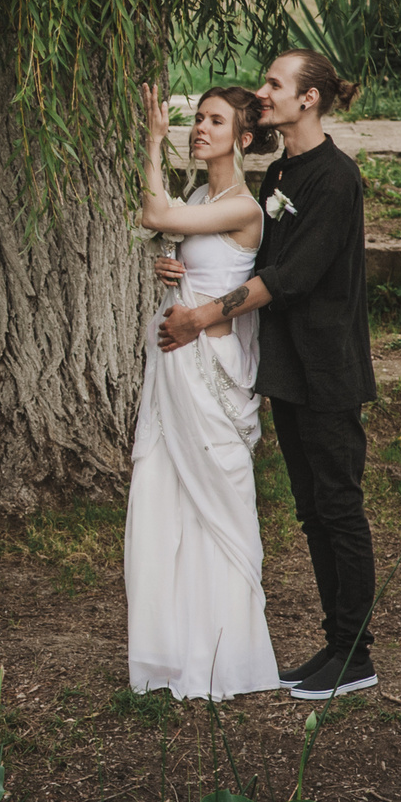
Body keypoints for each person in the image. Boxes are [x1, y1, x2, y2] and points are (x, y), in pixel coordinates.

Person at [156, 49, 377, 700]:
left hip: (328, 368)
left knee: (338, 508)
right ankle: (335, 647)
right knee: (311, 511)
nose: (264, 91)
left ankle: (355, 654)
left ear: (308, 99)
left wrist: (202, 315)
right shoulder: (283, 170)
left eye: (274, 84)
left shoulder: (335, 179)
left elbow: (290, 277)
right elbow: (256, 253)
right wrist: (194, 272)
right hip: (288, 369)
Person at [125, 85, 282, 700]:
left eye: (215, 121)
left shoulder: (244, 207)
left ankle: (230, 654)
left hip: (210, 367)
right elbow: (171, 228)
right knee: (166, 492)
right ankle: (171, 647)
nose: (200, 129)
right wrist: (172, 266)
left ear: (243, 139)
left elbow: (153, 214)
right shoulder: (199, 195)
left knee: (220, 499)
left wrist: (152, 141)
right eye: (197, 120)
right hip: (173, 365)